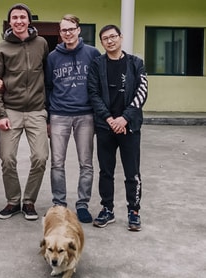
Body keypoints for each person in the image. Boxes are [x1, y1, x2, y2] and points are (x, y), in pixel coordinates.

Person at [0, 3, 49, 221]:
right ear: (9, 21)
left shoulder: (41, 44)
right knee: (7, 158)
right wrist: (1, 114)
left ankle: (29, 201)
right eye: (14, 17)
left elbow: (47, 77)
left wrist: (48, 111)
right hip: (11, 110)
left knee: (41, 157)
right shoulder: (2, 47)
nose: (19, 21)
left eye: (23, 17)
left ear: (29, 20)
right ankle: (13, 201)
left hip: (36, 110)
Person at [87, 24, 148, 231]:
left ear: (120, 38)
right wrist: (110, 119)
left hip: (130, 127)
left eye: (113, 36)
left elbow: (142, 93)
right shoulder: (97, 64)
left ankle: (134, 211)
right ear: (102, 42)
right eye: (105, 38)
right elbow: (93, 94)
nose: (110, 41)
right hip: (105, 127)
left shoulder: (136, 63)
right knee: (106, 171)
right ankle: (107, 209)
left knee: (132, 172)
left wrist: (125, 119)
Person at [45, 14, 100, 223]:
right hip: (59, 114)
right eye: (64, 30)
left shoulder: (92, 53)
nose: (68, 33)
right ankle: (59, 203)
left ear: (79, 30)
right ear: (60, 33)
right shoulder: (52, 57)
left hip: (85, 115)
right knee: (57, 163)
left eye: (71, 29)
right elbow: (48, 86)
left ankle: (82, 204)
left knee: (86, 163)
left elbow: (98, 84)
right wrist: (49, 117)